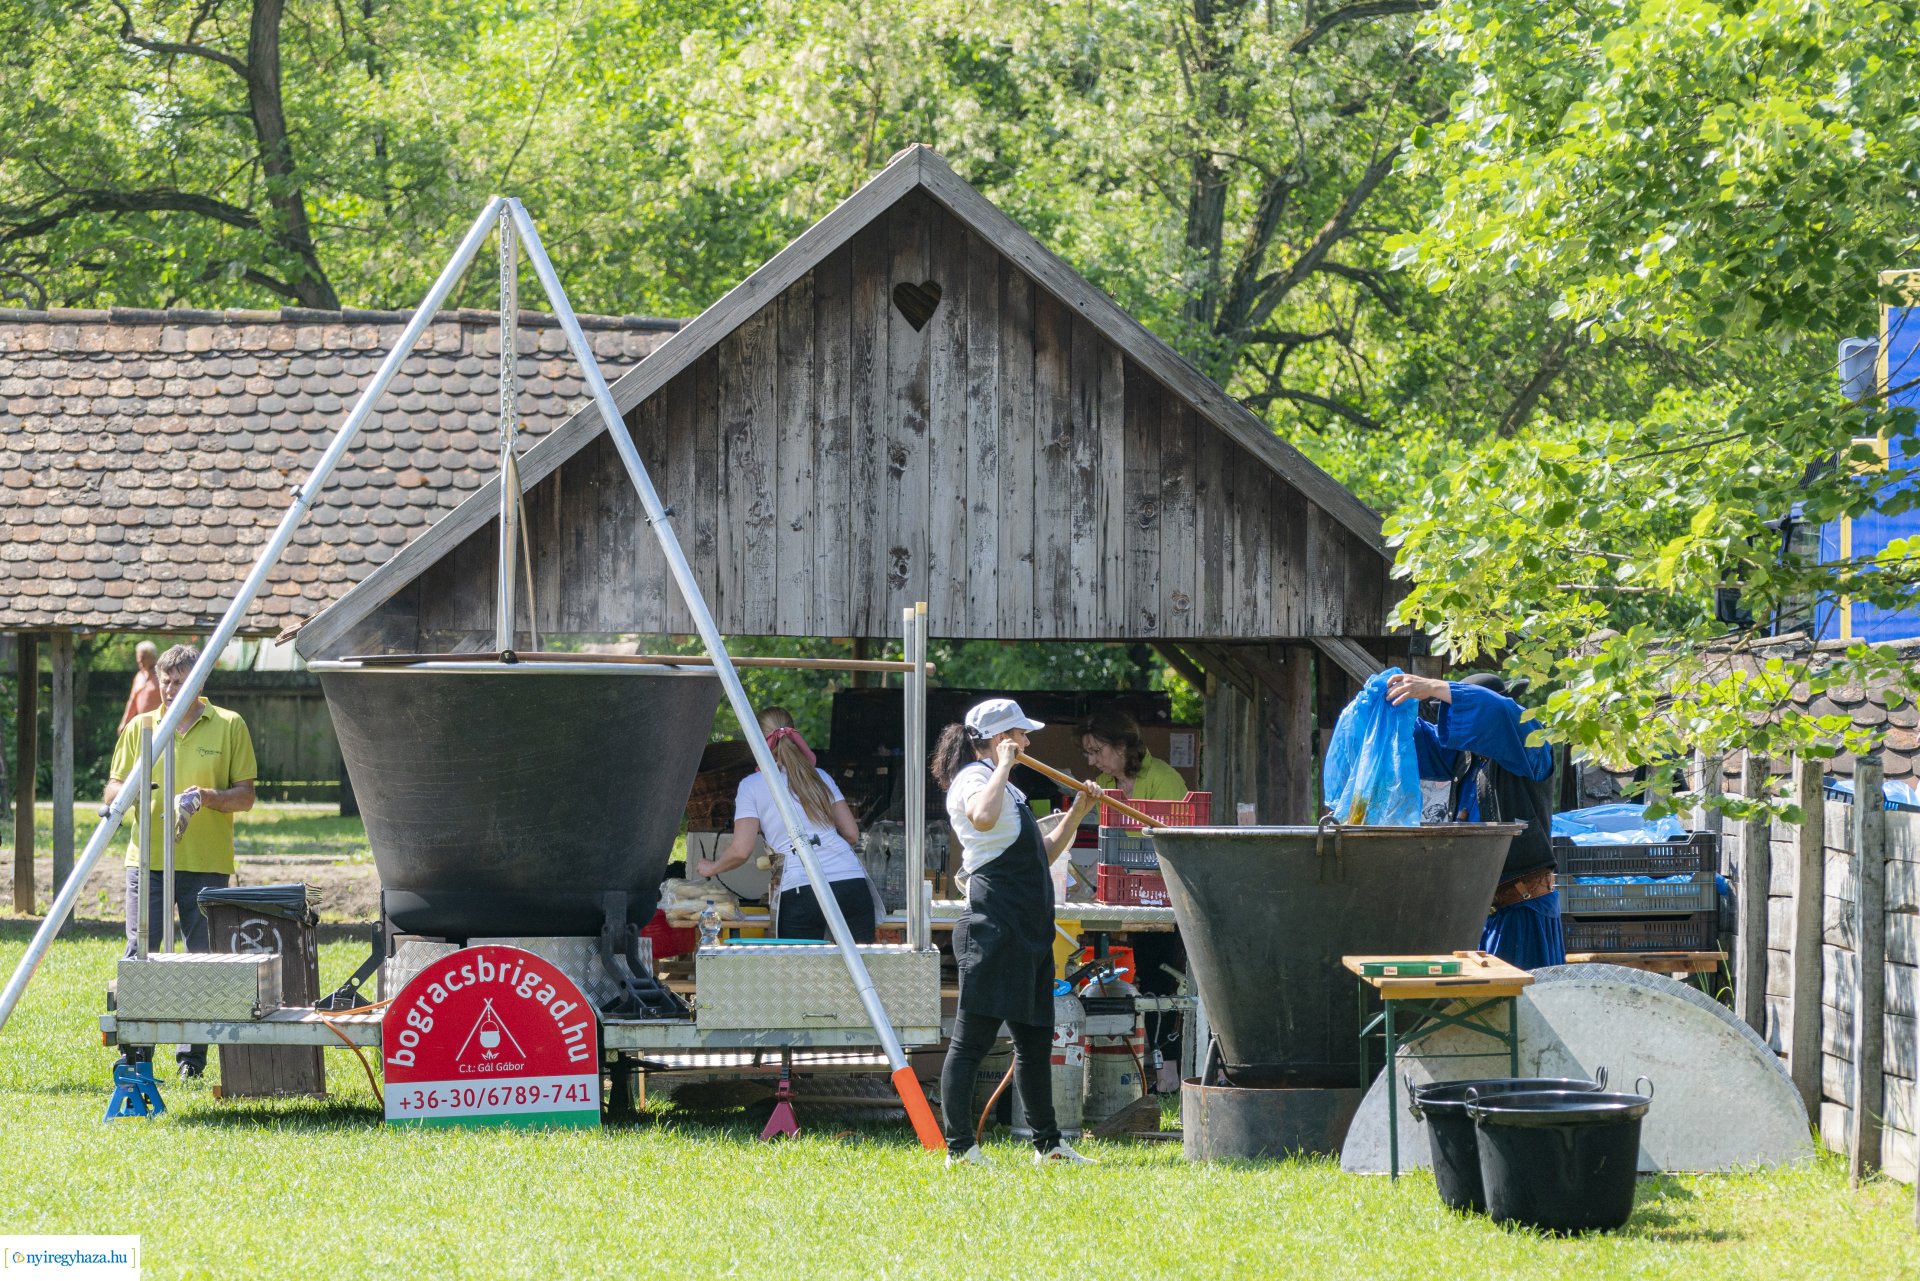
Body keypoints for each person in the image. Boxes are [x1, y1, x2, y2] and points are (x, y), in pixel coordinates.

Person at [934, 697, 1100, 1167]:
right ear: (1000, 739)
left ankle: (1048, 1145)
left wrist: (1079, 811)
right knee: (973, 1041)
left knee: (1034, 1039)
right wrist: (1003, 765)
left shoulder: (1008, 789)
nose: (1028, 742)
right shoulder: (974, 779)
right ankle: (961, 1148)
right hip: (993, 928)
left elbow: (1042, 854)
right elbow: (981, 819)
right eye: (1020, 735)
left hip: (1028, 929)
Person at [103, 644, 258, 1079]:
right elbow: (111, 793)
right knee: (141, 954)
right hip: (146, 861)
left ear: (201, 681)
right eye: (165, 682)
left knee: (202, 956)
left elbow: (245, 796)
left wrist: (208, 798)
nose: (170, 690)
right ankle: (137, 1053)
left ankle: (192, 1059)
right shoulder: (141, 727)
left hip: (206, 862)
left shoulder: (229, 726)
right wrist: (133, 790)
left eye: (180, 681)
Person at [1385, 671, 1563, 969]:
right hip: (1480, 914)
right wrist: (1389, 705)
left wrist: (1432, 687)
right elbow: (1421, 739)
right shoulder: (1467, 759)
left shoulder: (1531, 745)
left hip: (1523, 911)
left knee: (1526, 1007)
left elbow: (1500, 712)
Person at [695, 707, 877, 943]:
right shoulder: (820, 775)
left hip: (802, 886)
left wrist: (712, 868)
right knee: (861, 972)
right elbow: (852, 834)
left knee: (799, 974)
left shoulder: (752, 785)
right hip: (851, 882)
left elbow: (741, 850)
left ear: (756, 741)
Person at [1078, 709, 1188, 800]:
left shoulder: (1164, 779)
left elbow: (1170, 827)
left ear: (1121, 746)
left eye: (1096, 751)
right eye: (1088, 753)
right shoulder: (1102, 783)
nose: (1091, 761)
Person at [118, 641, 163, 732]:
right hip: (143, 724)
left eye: (142, 657)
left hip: (160, 724)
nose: (139, 660)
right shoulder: (139, 676)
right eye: (138, 657)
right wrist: (124, 723)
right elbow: (133, 701)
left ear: (152, 657)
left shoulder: (163, 676)